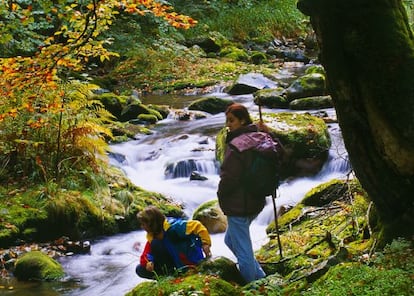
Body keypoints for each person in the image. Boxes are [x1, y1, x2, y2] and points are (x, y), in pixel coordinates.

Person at [217, 103, 283, 284]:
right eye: (227, 120)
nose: (228, 125)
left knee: (244, 253)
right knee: (230, 240)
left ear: (243, 120)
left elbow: (228, 177)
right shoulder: (261, 137)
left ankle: (253, 288)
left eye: (231, 120)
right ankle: (261, 278)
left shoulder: (237, 145)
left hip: (239, 205)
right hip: (256, 201)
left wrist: (221, 196)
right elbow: (281, 152)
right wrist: (269, 133)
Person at [135, 205, 212, 279]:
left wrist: (205, 243)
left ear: (151, 223)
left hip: (191, 261)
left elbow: (197, 226)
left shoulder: (174, 227)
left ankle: (185, 271)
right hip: (175, 265)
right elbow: (146, 254)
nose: (142, 227)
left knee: (169, 236)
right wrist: (149, 262)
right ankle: (170, 276)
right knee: (140, 269)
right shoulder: (153, 236)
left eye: (143, 224)